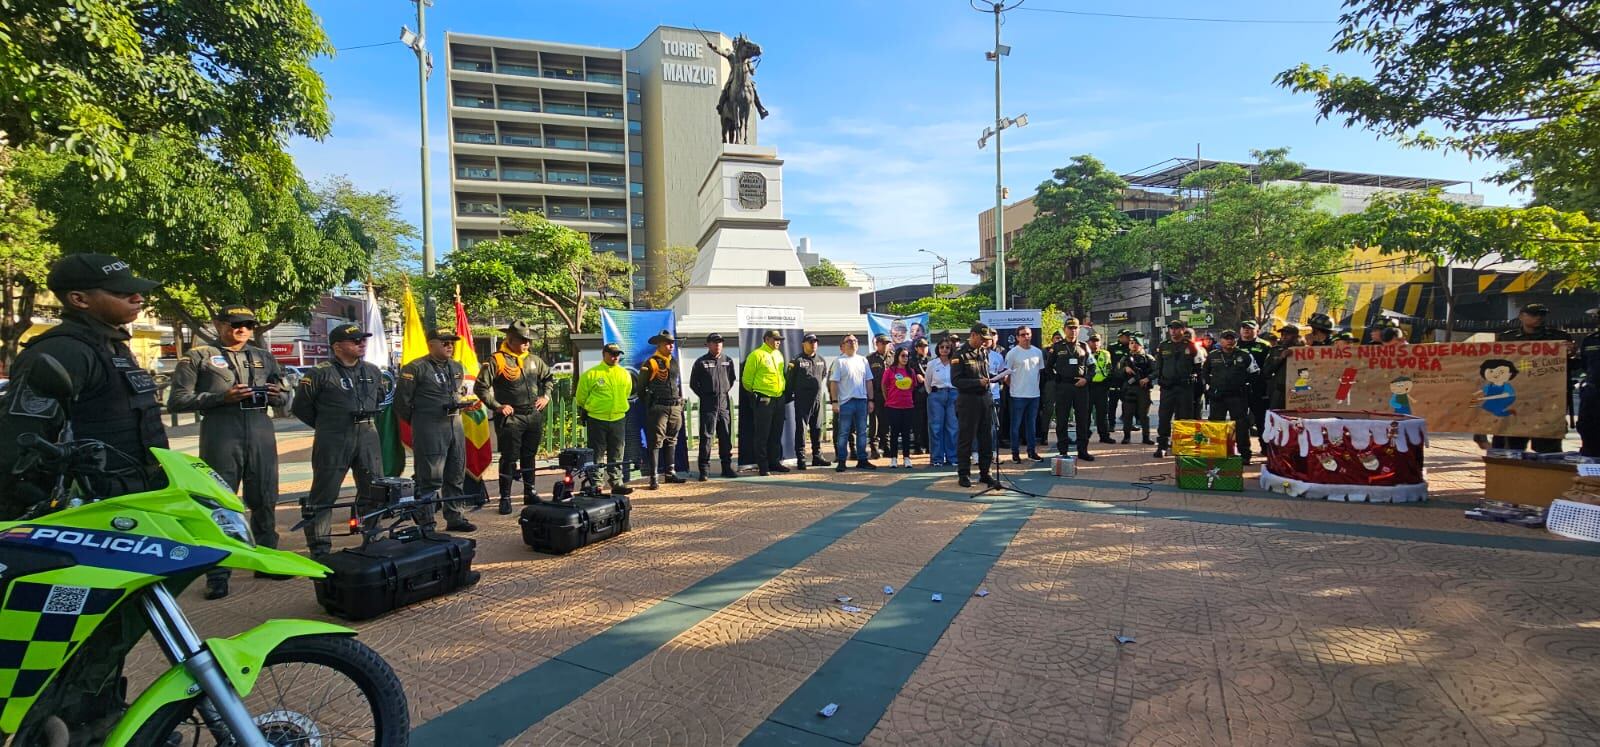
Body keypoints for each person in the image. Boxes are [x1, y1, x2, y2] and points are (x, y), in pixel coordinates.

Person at [0, 255, 167, 747]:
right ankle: (66, 729)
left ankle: (101, 715)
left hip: (128, 511)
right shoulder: (61, 352)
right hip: (89, 522)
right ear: (79, 299)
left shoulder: (112, 347)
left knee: (112, 629)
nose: (138, 297)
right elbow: (19, 449)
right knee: (79, 631)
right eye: (124, 291)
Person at [167, 304, 289, 600]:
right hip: (222, 433)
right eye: (235, 324)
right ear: (217, 324)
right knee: (220, 503)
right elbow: (178, 401)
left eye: (247, 324)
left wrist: (278, 395)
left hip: (260, 430)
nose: (242, 329)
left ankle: (266, 559)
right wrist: (222, 397)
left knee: (265, 497)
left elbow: (285, 397)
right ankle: (218, 574)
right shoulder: (198, 357)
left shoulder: (263, 356)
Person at [293, 322, 388, 558]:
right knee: (325, 492)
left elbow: (378, 399)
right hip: (334, 438)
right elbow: (301, 407)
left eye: (363, 340)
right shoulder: (319, 373)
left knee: (374, 487)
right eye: (355, 341)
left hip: (367, 434)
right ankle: (320, 546)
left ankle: (372, 535)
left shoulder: (373, 371)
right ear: (337, 346)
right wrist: (328, 425)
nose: (361, 343)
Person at [395, 326, 476, 529]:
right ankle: (427, 522)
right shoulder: (415, 368)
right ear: (431, 344)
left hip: (454, 425)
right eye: (445, 342)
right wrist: (420, 421)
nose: (450, 346)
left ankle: (455, 517)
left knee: (456, 472)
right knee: (430, 477)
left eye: (452, 343)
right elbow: (401, 403)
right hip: (429, 426)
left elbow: (459, 393)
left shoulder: (456, 367)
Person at [475, 320, 553, 514]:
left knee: (529, 456)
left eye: (528, 340)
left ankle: (530, 492)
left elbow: (549, 378)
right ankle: (505, 497)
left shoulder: (534, 360)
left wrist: (546, 396)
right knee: (509, 458)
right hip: (511, 418)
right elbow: (480, 387)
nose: (526, 343)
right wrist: (497, 406)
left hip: (532, 415)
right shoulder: (497, 360)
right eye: (522, 340)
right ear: (510, 339)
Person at [1494, 303, 1574, 453]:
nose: (1538, 318)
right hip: (1517, 399)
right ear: (1521, 316)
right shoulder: (1507, 338)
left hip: (1548, 400)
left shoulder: (1559, 338)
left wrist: (1570, 354)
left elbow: (1570, 367)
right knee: (1512, 447)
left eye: (1542, 314)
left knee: (1547, 449)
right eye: (1534, 314)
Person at [575, 343, 635, 495]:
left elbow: (627, 392)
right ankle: (596, 484)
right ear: (604, 354)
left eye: (618, 354)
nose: (615, 357)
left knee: (617, 452)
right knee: (597, 453)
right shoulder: (591, 374)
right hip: (597, 418)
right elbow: (581, 397)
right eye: (612, 354)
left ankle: (617, 482)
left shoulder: (624, 374)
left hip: (618, 418)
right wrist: (594, 407)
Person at [638, 330, 687, 490]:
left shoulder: (673, 361)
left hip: (674, 406)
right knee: (656, 441)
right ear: (659, 345)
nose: (671, 345)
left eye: (672, 343)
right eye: (667, 343)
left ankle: (670, 473)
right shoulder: (650, 362)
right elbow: (641, 388)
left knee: (672, 439)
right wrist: (651, 404)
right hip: (659, 407)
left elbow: (677, 384)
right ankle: (654, 477)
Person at [953, 324, 999, 488]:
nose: (984, 342)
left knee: (986, 438)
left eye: (986, 339)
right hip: (968, 401)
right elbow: (956, 380)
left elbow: (983, 373)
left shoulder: (983, 352)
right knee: (966, 438)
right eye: (982, 338)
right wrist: (977, 382)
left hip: (984, 399)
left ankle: (985, 473)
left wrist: (995, 377)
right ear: (973, 335)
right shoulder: (960, 354)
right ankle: (964, 474)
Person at [689, 332, 739, 480]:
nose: (718, 345)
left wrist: (722, 392)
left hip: (723, 402)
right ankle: (704, 470)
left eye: (720, 342)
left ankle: (726, 467)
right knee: (706, 437)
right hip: (708, 404)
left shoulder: (728, 360)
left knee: (725, 436)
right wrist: (706, 395)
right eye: (715, 342)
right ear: (708, 344)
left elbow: (731, 379)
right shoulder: (701, 362)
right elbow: (693, 384)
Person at [1203, 330, 1256, 464]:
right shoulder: (1212, 356)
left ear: (1236, 340)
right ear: (1221, 341)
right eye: (1226, 338)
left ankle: (1245, 454)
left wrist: (1245, 385)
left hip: (1238, 396)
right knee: (1216, 425)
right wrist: (1211, 387)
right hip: (1218, 396)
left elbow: (1255, 373)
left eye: (1232, 338)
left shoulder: (1244, 355)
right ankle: (1216, 452)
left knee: (1241, 426)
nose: (1229, 341)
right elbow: (1204, 373)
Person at [1046, 317, 1095, 462]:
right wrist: (1057, 380)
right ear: (1065, 329)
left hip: (1081, 387)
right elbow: (1049, 368)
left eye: (1075, 328)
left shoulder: (1084, 346)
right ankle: (1063, 450)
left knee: (1082, 420)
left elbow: (1092, 367)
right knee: (1062, 419)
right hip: (1063, 387)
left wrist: (1086, 379)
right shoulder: (1057, 347)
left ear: (1078, 330)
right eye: (1070, 328)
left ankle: (1082, 451)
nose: (1073, 331)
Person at [743, 329, 790, 475]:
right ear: (766, 339)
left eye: (780, 340)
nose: (778, 342)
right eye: (775, 339)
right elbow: (746, 380)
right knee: (762, 434)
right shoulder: (756, 355)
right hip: (764, 399)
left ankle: (774, 462)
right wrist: (757, 393)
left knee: (776, 433)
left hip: (779, 398)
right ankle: (763, 466)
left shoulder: (779, 354)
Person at [1153, 320, 1202, 458]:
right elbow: (1159, 366)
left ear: (1183, 329)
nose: (1173, 331)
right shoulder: (1163, 346)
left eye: (1177, 328)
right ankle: (1162, 446)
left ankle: (1183, 446)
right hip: (1168, 387)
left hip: (1185, 388)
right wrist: (1161, 380)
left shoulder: (1191, 346)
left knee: (1184, 418)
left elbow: (1198, 368)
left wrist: (1198, 390)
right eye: (1171, 328)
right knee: (1164, 417)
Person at [828, 334, 876, 471]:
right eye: (848, 341)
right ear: (843, 345)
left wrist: (871, 400)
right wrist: (835, 402)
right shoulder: (839, 361)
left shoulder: (863, 360)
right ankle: (842, 460)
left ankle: (862, 459)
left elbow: (868, 381)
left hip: (861, 401)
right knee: (843, 432)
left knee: (862, 432)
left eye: (854, 340)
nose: (852, 343)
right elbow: (834, 383)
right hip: (845, 402)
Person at [787, 333, 831, 469]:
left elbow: (823, 376)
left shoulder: (821, 360)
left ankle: (817, 456)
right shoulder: (796, 360)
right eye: (810, 342)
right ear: (803, 344)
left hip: (817, 400)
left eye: (815, 342)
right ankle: (801, 458)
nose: (813, 344)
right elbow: (790, 380)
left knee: (817, 429)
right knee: (801, 430)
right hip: (802, 401)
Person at [1004, 326, 1046, 462]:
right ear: (1017, 337)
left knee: (1031, 425)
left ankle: (1031, 451)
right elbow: (1006, 375)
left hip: (1034, 395)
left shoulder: (1038, 352)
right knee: (1015, 426)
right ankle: (1015, 453)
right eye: (1022, 335)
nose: (1025, 337)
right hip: (1017, 396)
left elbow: (1039, 372)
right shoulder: (1012, 353)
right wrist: (1015, 388)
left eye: (1028, 334)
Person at [882, 347, 921, 467]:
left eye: (907, 356)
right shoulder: (890, 371)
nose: (905, 358)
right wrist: (888, 399)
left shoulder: (911, 372)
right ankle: (893, 458)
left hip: (908, 406)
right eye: (903, 356)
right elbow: (884, 386)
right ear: (897, 356)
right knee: (894, 433)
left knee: (906, 433)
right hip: (893, 407)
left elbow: (913, 387)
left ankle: (906, 458)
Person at [924, 336, 959, 467]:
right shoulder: (932, 364)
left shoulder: (955, 363)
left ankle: (952, 457)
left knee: (953, 427)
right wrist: (933, 394)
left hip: (953, 395)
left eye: (947, 347)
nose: (944, 349)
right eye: (941, 347)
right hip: (936, 395)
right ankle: (937, 458)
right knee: (936, 428)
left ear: (951, 349)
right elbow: (927, 382)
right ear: (938, 349)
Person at [1236, 321, 1272, 439]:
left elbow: (1269, 366)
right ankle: (1243, 450)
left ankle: (1265, 448)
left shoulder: (1265, 345)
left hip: (1258, 387)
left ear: (1257, 330)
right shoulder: (1234, 345)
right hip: (1238, 388)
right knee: (1240, 420)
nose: (1246, 330)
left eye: (1250, 328)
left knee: (1261, 419)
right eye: (1244, 328)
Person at [1120, 335, 1156, 444]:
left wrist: (1147, 378)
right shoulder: (1125, 358)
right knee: (1128, 414)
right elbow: (1116, 372)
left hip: (1143, 390)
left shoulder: (1148, 358)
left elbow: (1156, 371)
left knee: (1144, 415)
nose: (1134, 345)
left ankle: (1146, 437)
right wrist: (1124, 369)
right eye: (1131, 343)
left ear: (1141, 345)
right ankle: (1126, 437)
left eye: (1136, 343)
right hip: (1129, 389)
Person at [1086, 333, 1117, 445]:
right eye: (1093, 341)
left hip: (1102, 386)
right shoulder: (1085, 353)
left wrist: (1108, 383)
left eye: (1097, 341)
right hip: (1088, 386)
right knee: (1086, 413)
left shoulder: (1106, 354)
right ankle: (1084, 435)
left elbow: (1109, 368)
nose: (1095, 343)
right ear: (1088, 342)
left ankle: (1104, 435)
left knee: (1102, 413)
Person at [1578, 308, 1600, 457]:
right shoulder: (1590, 339)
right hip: (1593, 392)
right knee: (1587, 427)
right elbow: (1586, 365)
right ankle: (1590, 474)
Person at [866, 334, 891, 459]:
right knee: (874, 423)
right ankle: (874, 447)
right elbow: (866, 378)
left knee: (886, 422)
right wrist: (869, 398)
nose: (885, 345)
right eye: (883, 343)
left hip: (889, 395)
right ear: (877, 344)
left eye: (887, 343)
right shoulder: (870, 359)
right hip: (875, 394)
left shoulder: (893, 357)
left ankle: (886, 446)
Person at [1105, 330, 1132, 436]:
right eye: (1126, 336)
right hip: (1114, 380)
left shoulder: (1130, 346)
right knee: (1112, 403)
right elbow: (1108, 363)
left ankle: (1128, 423)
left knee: (1128, 403)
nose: (1128, 338)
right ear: (1120, 337)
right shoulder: (1112, 347)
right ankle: (1111, 424)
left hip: (1126, 380)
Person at [910, 337, 931, 455]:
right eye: (921, 346)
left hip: (930, 394)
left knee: (929, 421)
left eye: (925, 346)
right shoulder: (911, 361)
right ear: (916, 348)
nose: (924, 348)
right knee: (918, 422)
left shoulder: (931, 361)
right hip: (917, 395)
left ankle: (928, 445)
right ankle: (918, 446)